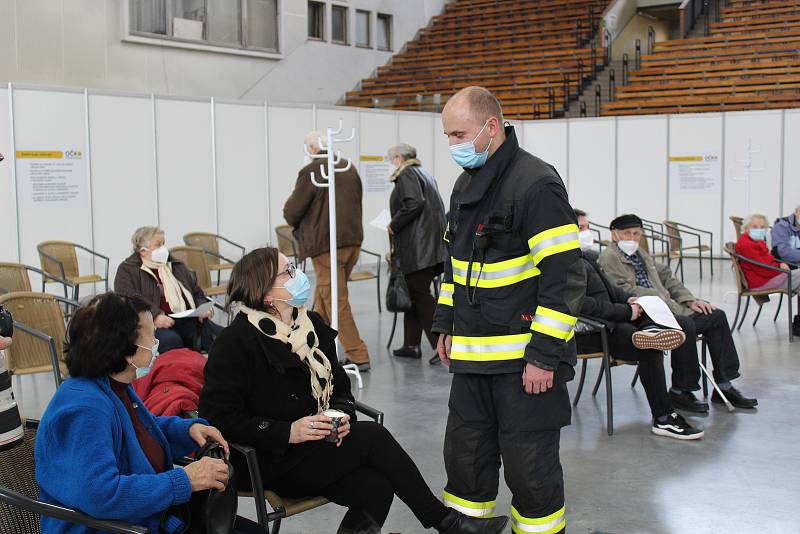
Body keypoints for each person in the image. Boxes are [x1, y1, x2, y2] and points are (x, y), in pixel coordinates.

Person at [199, 248, 508, 534]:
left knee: (375, 487)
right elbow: (219, 418)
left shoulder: (312, 325)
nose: (298, 275)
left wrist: (342, 415)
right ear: (263, 293)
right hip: (270, 458)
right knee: (373, 436)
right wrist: (287, 432)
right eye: (287, 272)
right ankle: (446, 523)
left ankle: (447, 523)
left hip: (319, 445)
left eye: (293, 267)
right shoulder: (236, 342)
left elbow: (340, 386)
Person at [432, 86, 585, 533]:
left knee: (531, 472)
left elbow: (564, 279)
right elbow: (453, 267)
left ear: (491, 127)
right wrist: (445, 324)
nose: (453, 145)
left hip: (524, 366)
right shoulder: (466, 184)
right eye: (448, 136)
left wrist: (543, 356)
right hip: (472, 359)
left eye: (459, 134)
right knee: (465, 464)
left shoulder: (536, 183)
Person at [33, 292, 263, 534]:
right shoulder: (84, 409)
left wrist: (187, 430)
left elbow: (137, 432)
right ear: (124, 348)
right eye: (151, 337)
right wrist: (184, 481)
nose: (156, 344)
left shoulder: (113, 386)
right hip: (112, 527)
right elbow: (101, 495)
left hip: (144, 518)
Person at [599, 214, 758, 411]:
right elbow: (621, 290)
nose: (632, 238)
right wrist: (658, 296)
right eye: (626, 234)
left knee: (716, 316)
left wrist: (689, 299)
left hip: (669, 307)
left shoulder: (640, 253)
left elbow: (666, 276)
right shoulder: (608, 258)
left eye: (636, 234)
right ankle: (681, 391)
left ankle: (724, 385)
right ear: (614, 234)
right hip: (646, 313)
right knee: (685, 324)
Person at [575, 211, 702, 440]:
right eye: (580, 229)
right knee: (648, 347)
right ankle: (663, 418)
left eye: (586, 227)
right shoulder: (564, 264)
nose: (586, 233)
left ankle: (652, 331)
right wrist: (626, 310)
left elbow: (610, 291)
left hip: (613, 319)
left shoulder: (586, 257)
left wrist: (628, 300)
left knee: (680, 322)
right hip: (595, 331)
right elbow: (582, 306)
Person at [284, 131, 371, 371]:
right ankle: (311, 344)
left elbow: (292, 211)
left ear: (312, 148)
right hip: (352, 241)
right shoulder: (348, 168)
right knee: (325, 296)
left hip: (326, 245)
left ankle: (358, 354)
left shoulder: (312, 171)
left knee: (336, 299)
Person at [114, 226, 220, 354]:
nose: (163, 249)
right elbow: (129, 300)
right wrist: (154, 316)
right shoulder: (127, 270)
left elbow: (196, 292)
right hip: (153, 324)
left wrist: (203, 307)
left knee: (222, 337)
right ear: (143, 251)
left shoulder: (175, 265)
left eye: (164, 243)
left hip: (187, 317)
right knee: (172, 342)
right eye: (158, 245)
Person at [386, 143, 448, 362]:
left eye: (391, 158)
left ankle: (441, 345)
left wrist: (394, 223)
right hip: (430, 246)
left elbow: (414, 203)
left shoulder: (407, 174)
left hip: (419, 249)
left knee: (420, 295)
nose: (390, 162)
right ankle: (411, 345)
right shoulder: (424, 173)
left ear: (399, 158)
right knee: (413, 293)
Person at [737, 213, 800, 336]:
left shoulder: (757, 241)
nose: (759, 230)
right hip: (763, 280)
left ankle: (799, 323)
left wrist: (779, 265)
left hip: (770, 276)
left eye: (762, 227)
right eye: (755, 226)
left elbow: (768, 260)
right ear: (746, 228)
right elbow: (761, 268)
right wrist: (780, 267)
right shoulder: (746, 244)